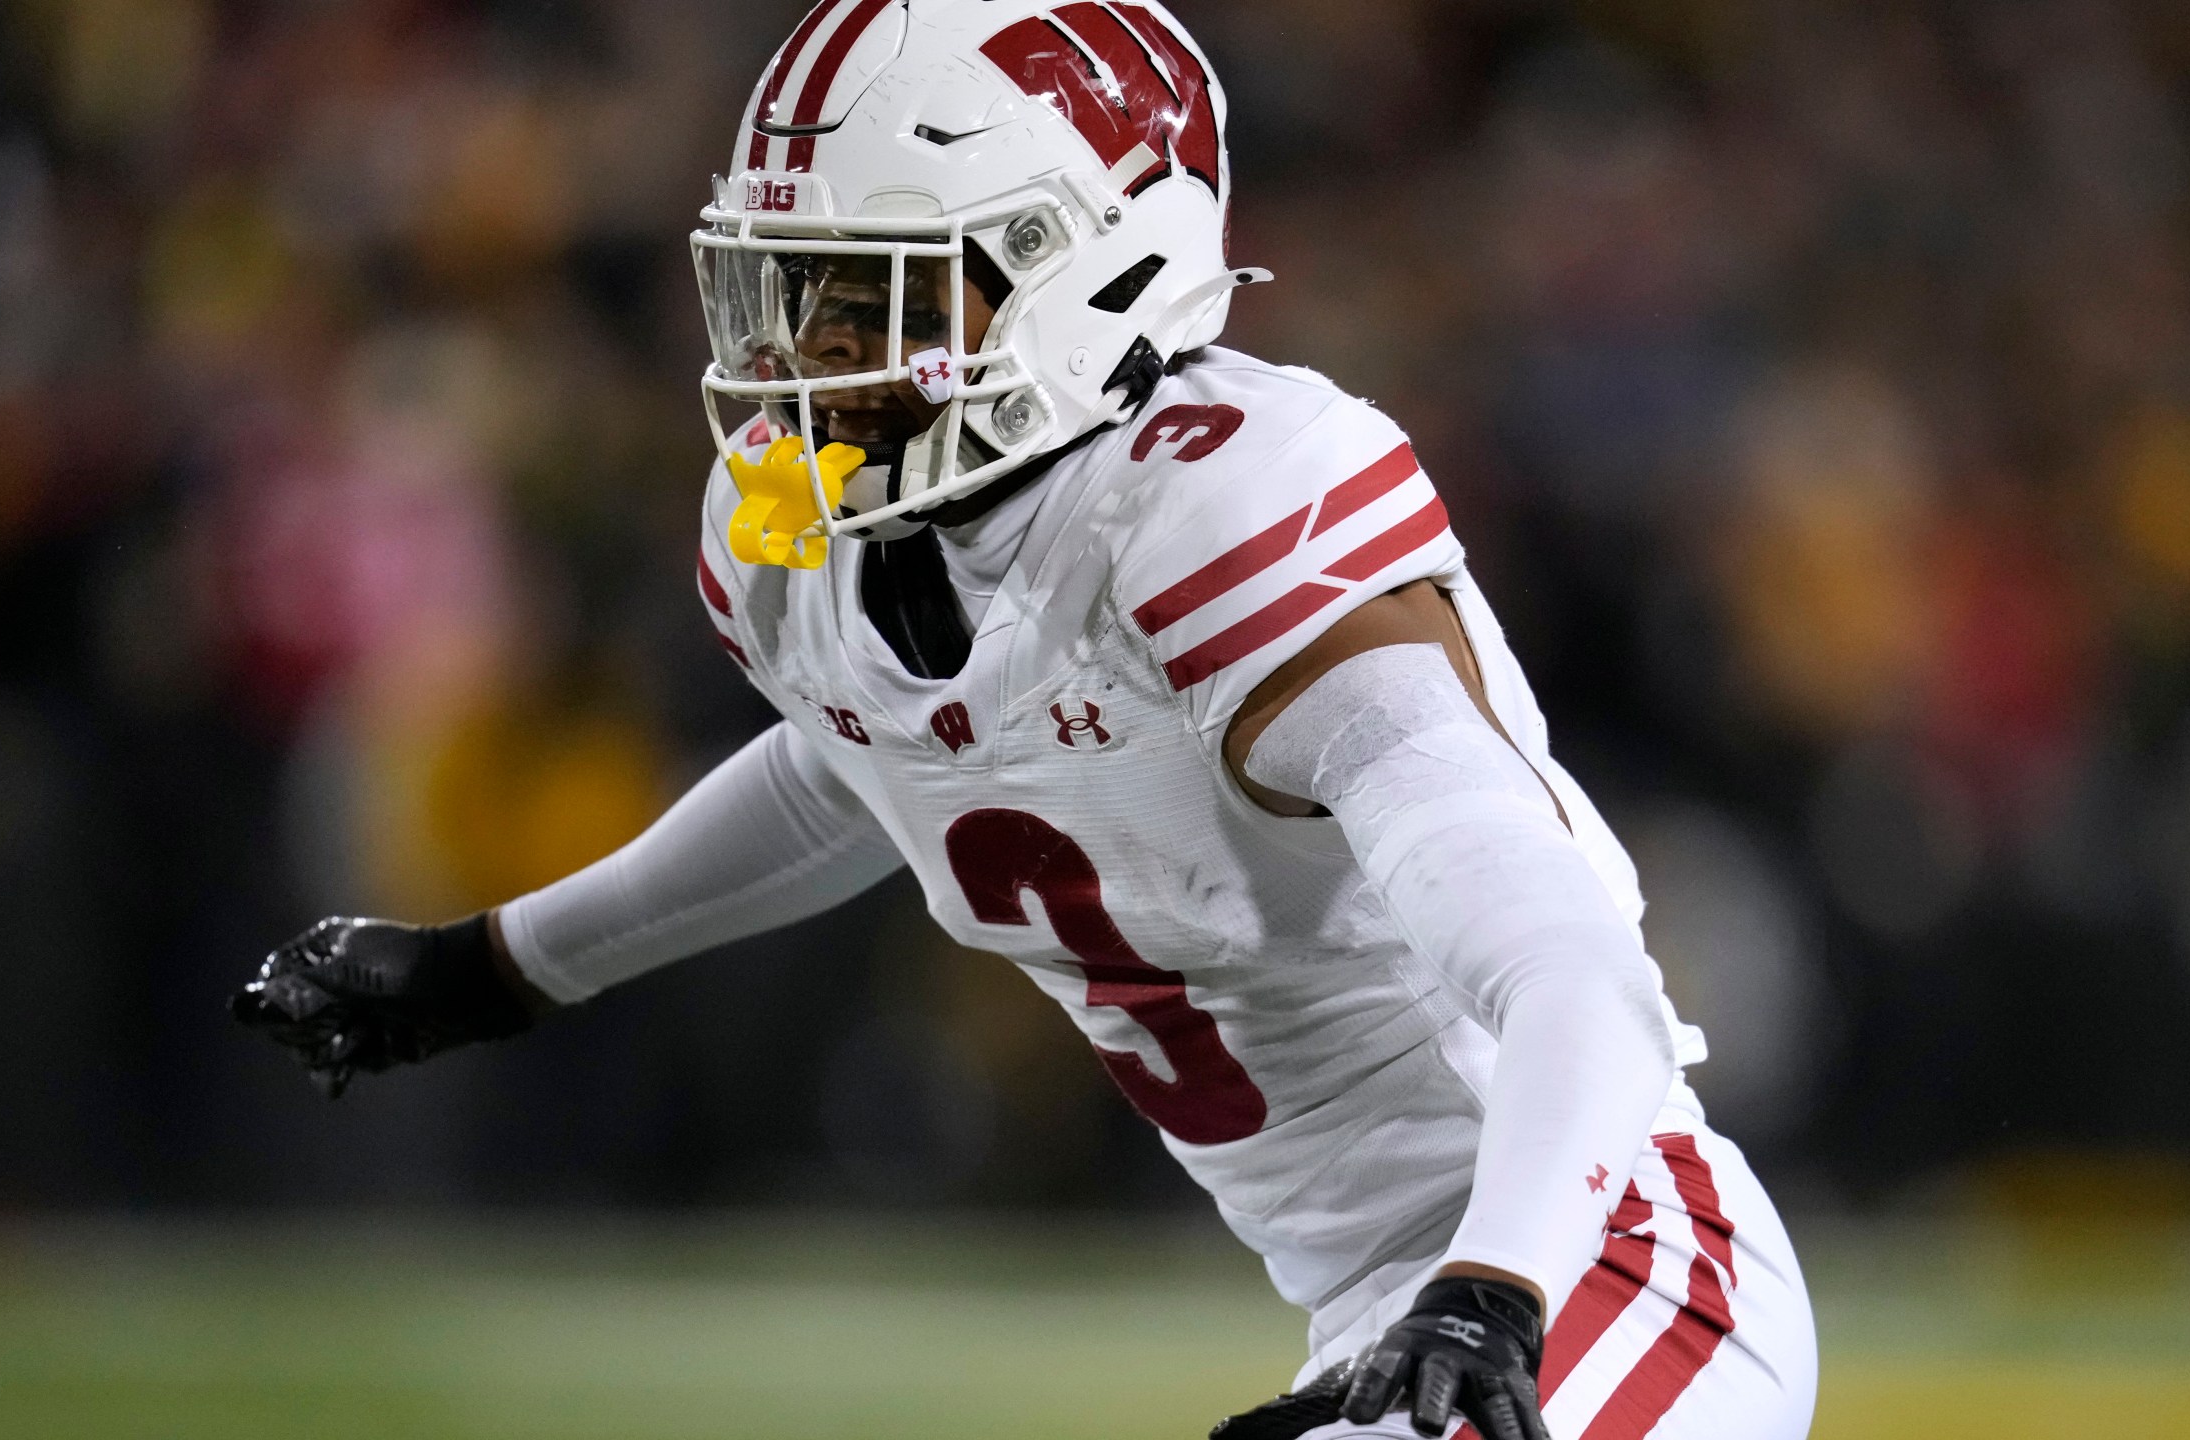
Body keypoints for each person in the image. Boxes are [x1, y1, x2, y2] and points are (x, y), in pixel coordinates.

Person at [230, 4, 1818, 1437]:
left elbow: (1577, 982)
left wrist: (1490, 1293)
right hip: (1392, 1316)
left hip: (1599, 1263)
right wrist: (494, 968)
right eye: (787, 292)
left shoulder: (1215, 512)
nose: (806, 360)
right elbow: (855, 773)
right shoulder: (827, 559)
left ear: (1090, 269)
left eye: (870, 294)